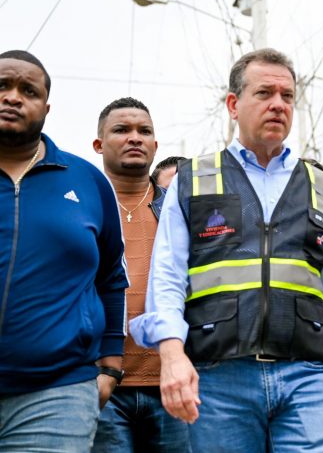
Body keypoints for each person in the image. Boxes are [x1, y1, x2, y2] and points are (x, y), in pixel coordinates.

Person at [130, 48, 323, 453]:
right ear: (234, 105)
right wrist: (171, 354)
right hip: (219, 377)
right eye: (264, 93)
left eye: (287, 96)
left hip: (308, 377)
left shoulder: (321, 187)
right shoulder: (194, 179)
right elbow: (167, 276)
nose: (278, 104)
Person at [0, 50, 128, 452]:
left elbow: (111, 276)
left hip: (57, 395)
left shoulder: (87, 180)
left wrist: (111, 363)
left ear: (46, 108)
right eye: (2, 86)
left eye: (28, 91)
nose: (12, 97)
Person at [91, 98, 189, 452]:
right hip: (99, 383)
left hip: (174, 384)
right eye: (122, 130)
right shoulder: (80, 207)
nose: (135, 137)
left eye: (144, 131)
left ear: (155, 145)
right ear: (98, 144)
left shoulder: (181, 210)